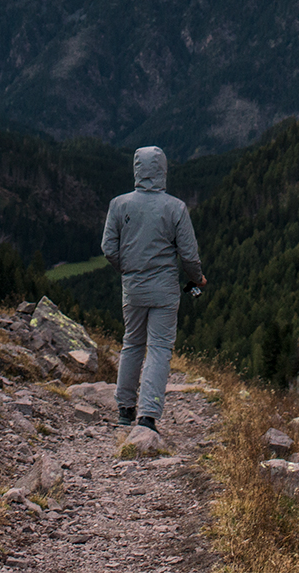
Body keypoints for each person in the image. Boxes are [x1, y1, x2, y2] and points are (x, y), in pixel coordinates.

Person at [101, 146, 205, 430]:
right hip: (165, 291)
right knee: (159, 348)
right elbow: (189, 255)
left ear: (137, 170)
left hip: (132, 288)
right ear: (163, 172)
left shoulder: (118, 204)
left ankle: (124, 410)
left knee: (132, 343)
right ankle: (148, 416)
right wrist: (197, 278)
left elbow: (108, 248)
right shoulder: (175, 207)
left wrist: (129, 269)